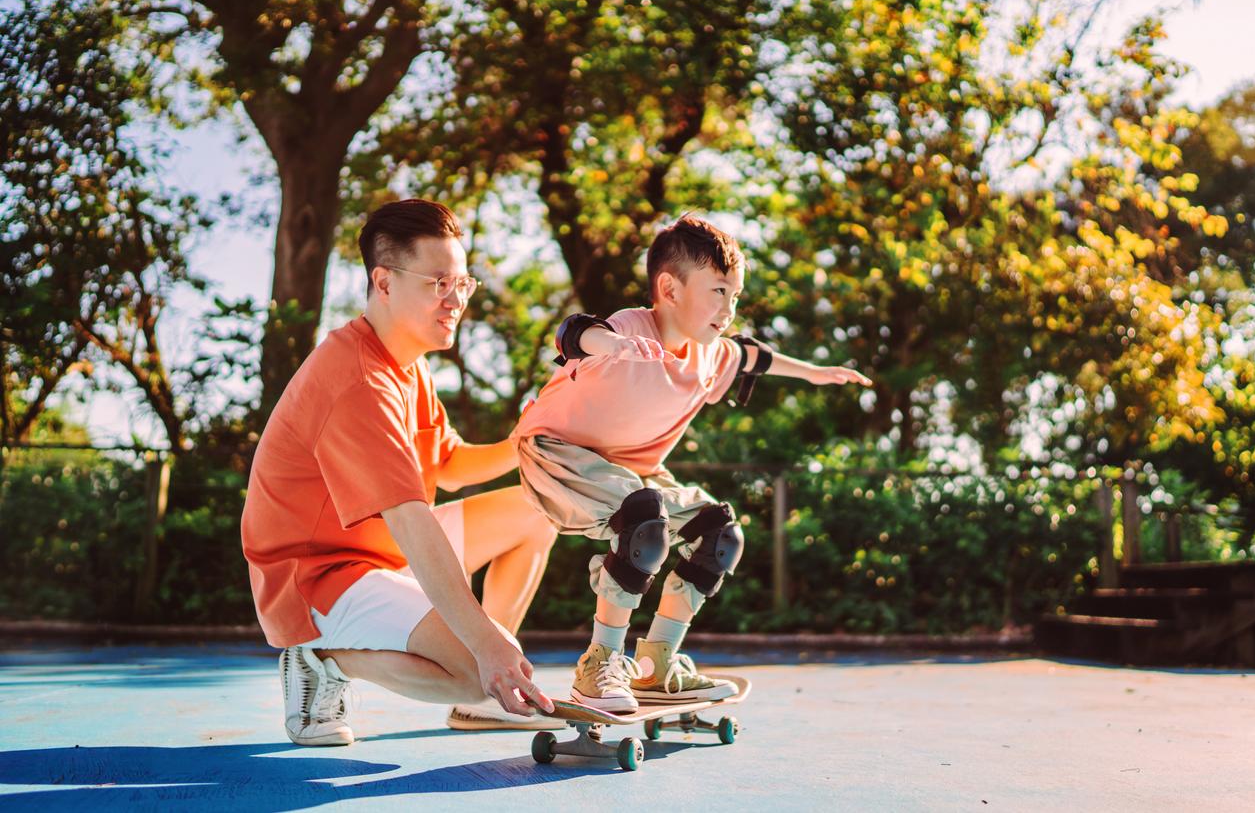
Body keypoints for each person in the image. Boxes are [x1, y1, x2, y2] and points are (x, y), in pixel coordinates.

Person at [512, 214, 872, 713]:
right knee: (642, 518)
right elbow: (574, 332)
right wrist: (612, 346)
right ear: (670, 289)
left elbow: (754, 358)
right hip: (556, 455)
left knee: (717, 531)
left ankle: (657, 665)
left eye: (737, 296)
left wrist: (815, 374)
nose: (730, 309)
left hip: (631, 472)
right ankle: (599, 665)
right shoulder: (632, 327)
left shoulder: (712, 355)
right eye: (720, 292)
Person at [241, 199, 562, 745]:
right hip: (319, 578)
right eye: (439, 282)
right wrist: (484, 643)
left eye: (463, 284)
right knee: (470, 673)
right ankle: (324, 657)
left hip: (382, 552)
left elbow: (453, 466)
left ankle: (494, 675)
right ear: (383, 283)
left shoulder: (406, 363)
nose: (456, 299)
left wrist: (527, 440)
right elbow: (413, 521)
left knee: (536, 512)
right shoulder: (360, 380)